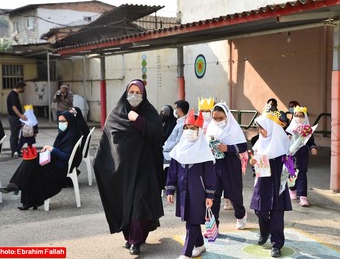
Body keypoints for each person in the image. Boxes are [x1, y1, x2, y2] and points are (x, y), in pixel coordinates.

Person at [93, 79, 164, 256]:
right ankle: (130, 237)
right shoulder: (116, 114)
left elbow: (157, 135)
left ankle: (135, 241)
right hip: (123, 170)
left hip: (144, 168)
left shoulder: (149, 112)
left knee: (140, 202)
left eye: (138, 92)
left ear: (144, 94)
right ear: (125, 92)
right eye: (131, 92)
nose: (134, 95)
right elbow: (109, 140)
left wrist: (139, 120)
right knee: (126, 205)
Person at [0, 111, 80, 210]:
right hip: (54, 162)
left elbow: (67, 156)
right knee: (31, 161)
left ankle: (18, 189)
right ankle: (21, 193)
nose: (60, 123)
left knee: (31, 165)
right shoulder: (66, 133)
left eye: (63, 121)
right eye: (59, 121)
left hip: (58, 169)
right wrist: (48, 150)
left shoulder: (71, 136)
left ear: (70, 121)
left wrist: (51, 149)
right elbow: (59, 150)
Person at [166, 109, 216, 259]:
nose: (189, 131)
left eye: (192, 128)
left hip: (198, 192)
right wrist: (170, 190)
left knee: (192, 222)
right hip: (183, 191)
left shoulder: (204, 151)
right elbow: (172, 171)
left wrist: (210, 194)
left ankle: (186, 253)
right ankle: (200, 245)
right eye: (186, 128)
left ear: (199, 130)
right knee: (190, 218)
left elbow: (210, 174)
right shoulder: (178, 150)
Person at [249, 105, 292, 258]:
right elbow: (256, 167)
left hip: (278, 183)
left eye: (263, 128)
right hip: (263, 182)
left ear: (272, 129)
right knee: (260, 210)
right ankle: (264, 230)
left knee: (277, 214)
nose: (260, 132)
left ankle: (276, 244)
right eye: (259, 128)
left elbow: (291, 168)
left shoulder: (284, 145)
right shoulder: (259, 143)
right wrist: (253, 164)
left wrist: (291, 170)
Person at [206, 102, 248, 230]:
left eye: (221, 118)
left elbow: (243, 146)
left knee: (234, 193)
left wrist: (228, 148)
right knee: (213, 195)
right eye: (215, 118)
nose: (218, 121)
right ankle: (214, 225)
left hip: (231, 164)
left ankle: (241, 215)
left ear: (227, 116)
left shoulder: (234, 128)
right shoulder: (210, 128)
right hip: (214, 165)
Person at [285, 105, 317, 207]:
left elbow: (311, 141)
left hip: (302, 153)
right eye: (296, 116)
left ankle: (303, 196)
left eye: (301, 116)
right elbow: (284, 139)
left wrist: (312, 147)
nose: (298, 118)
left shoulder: (308, 129)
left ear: (305, 117)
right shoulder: (290, 128)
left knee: (302, 172)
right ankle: (292, 190)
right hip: (291, 153)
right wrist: (287, 137)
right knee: (291, 172)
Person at [7, 81, 27, 158]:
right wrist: (21, 115)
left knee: (16, 134)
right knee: (14, 134)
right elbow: (14, 107)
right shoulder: (12, 95)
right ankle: (14, 151)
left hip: (15, 117)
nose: (23, 90)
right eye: (23, 88)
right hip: (13, 117)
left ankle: (16, 150)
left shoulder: (15, 94)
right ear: (20, 87)